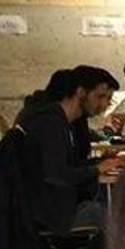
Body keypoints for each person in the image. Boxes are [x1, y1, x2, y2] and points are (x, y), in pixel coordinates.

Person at [21, 65, 118, 232]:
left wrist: (101, 162)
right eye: (100, 96)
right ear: (80, 92)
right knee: (124, 218)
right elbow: (56, 175)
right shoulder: (51, 124)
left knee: (112, 201)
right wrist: (96, 169)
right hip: (54, 215)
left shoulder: (63, 122)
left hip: (57, 207)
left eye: (107, 99)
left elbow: (69, 165)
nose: (104, 104)